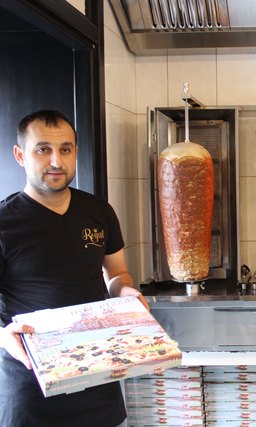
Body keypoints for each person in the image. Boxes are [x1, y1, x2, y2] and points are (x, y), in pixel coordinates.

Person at [0, 110, 148, 427]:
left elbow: (116, 274)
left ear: (76, 152)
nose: (56, 161)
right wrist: (2, 335)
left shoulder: (98, 211)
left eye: (65, 149)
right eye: (43, 149)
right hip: (31, 385)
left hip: (98, 375)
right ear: (19, 155)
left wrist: (126, 293)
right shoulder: (4, 222)